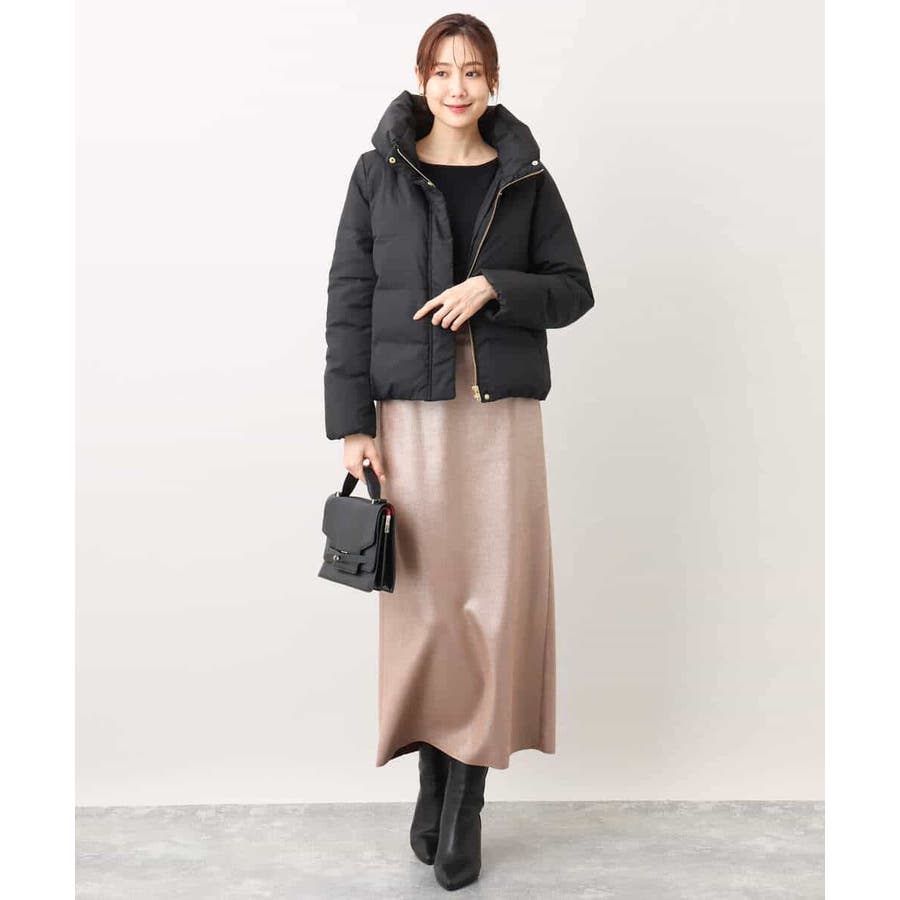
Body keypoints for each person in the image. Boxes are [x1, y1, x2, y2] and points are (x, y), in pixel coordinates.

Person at [324, 13, 594, 891]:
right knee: (427, 607)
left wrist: (492, 287)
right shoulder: (377, 175)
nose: (457, 86)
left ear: (493, 82)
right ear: (421, 78)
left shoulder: (527, 179)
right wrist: (352, 425)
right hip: (409, 416)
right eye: (442, 70)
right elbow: (349, 300)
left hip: (499, 415)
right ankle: (432, 781)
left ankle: (467, 800)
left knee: (494, 603)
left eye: (473, 71)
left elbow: (574, 290)